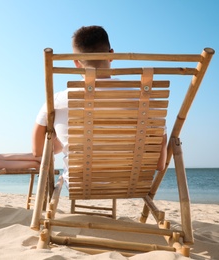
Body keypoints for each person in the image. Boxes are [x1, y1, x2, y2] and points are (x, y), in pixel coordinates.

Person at [32, 25, 167, 187]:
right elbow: (159, 164)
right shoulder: (146, 101)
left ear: (76, 62)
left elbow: (38, 152)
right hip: (129, 184)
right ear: (111, 55)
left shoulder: (58, 101)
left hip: (79, 184)